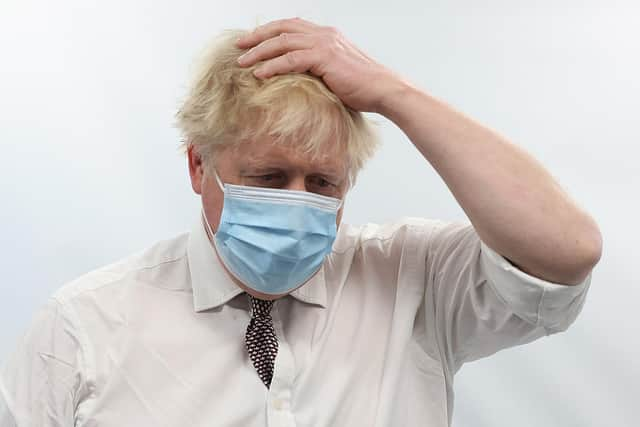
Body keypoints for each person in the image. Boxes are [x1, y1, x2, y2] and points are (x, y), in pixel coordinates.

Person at [0, 17, 602, 427]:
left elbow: (568, 249)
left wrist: (395, 94)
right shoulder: (85, 329)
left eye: (323, 184)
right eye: (268, 177)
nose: (296, 203)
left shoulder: (414, 282)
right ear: (197, 165)